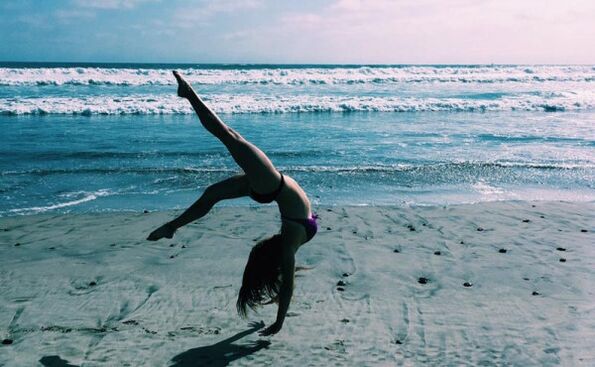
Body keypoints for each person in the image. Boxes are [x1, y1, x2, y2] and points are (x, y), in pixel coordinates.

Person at [147, 71, 318, 336]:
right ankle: (172, 226)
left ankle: (189, 94)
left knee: (228, 136)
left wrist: (280, 322)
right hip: (270, 188)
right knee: (212, 190)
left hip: (271, 186)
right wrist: (278, 319)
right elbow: (286, 283)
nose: (263, 243)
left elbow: (287, 287)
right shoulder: (290, 242)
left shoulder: (289, 245)